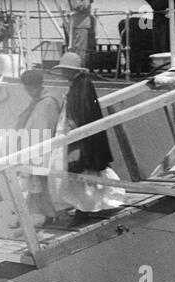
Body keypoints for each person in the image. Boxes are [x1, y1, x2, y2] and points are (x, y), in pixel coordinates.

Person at [51, 52, 125, 227]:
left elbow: (83, 112)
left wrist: (74, 128)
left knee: (83, 170)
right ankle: (85, 207)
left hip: (81, 137)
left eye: (64, 70)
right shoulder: (79, 84)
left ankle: (84, 209)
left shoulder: (82, 85)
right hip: (77, 135)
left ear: (70, 70)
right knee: (84, 172)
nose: (62, 73)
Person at [16, 69, 61, 226]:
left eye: (29, 88)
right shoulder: (38, 101)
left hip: (40, 150)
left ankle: (48, 216)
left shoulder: (47, 102)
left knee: (40, 186)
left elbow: (46, 128)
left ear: (36, 85)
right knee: (36, 187)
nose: (28, 91)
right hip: (33, 149)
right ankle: (44, 216)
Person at [66, 0, 95, 68]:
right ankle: (78, 70)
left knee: (79, 50)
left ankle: (77, 69)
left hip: (79, 24)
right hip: (79, 24)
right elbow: (78, 6)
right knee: (80, 51)